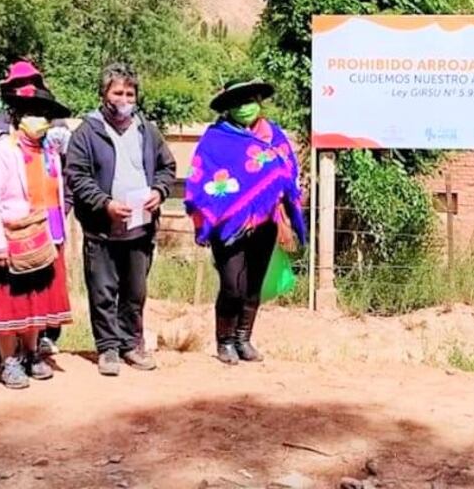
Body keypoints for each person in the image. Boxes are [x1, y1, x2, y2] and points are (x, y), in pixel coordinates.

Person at [184, 79, 306, 366]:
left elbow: (287, 173)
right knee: (231, 285)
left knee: (253, 284)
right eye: (237, 102)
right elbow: (200, 180)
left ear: (259, 101)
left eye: (249, 99)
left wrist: (286, 214)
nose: (244, 107)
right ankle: (224, 341)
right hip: (228, 225)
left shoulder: (274, 135)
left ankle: (243, 338)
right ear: (228, 108)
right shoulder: (215, 139)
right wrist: (219, 212)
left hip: (266, 223)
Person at [65, 63, 176, 376]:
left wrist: (159, 190)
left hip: (140, 228)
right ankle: (108, 348)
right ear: (104, 94)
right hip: (102, 229)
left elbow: (167, 167)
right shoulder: (87, 132)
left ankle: (131, 344)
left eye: (130, 93)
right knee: (103, 290)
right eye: (118, 92)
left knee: (135, 291)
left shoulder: (147, 130)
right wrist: (105, 204)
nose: (124, 98)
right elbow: (77, 175)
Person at [0, 84, 73, 388]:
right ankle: (8, 359)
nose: (39, 119)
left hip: (45, 238)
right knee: (10, 303)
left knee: (35, 301)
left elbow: (58, 195)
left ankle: (32, 352)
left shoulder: (50, 152)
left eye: (43, 114)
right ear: (17, 115)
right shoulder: (2, 152)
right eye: (31, 113)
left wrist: (59, 236)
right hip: (13, 238)